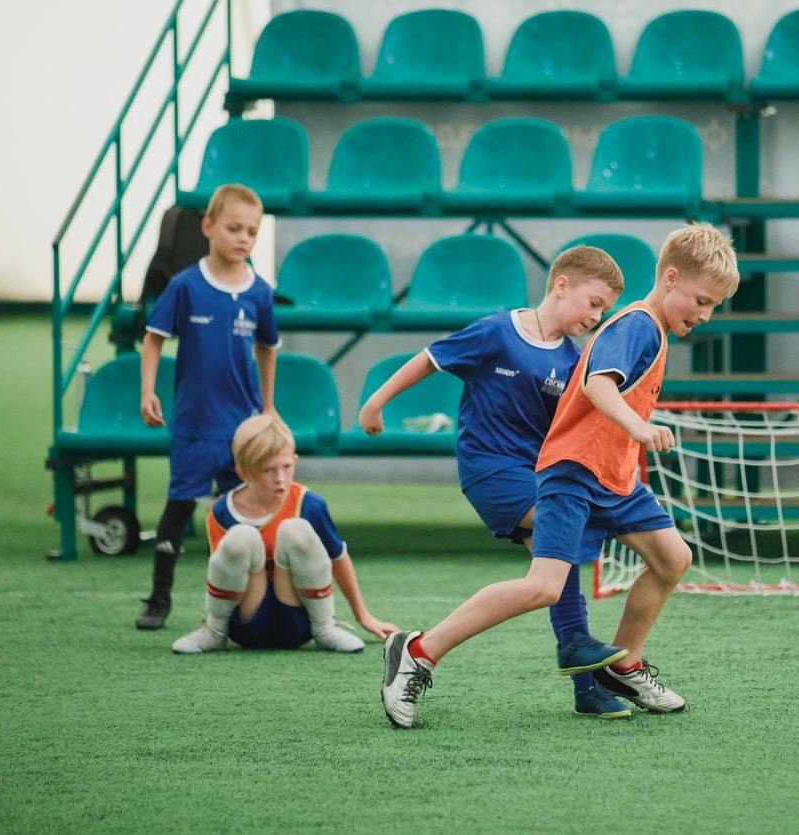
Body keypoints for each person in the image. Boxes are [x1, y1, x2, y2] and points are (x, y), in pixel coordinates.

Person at [382, 224, 740, 728]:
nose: (704, 314)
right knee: (544, 586)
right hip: (574, 471)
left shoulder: (653, 330)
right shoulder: (636, 324)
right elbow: (598, 386)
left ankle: (624, 664)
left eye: (713, 307)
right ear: (670, 277)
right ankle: (419, 649)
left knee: (673, 558)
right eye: (701, 300)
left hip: (614, 478)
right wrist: (639, 427)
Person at [359, 244, 631, 718]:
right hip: (489, 471)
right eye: (593, 303)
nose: (597, 315)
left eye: (605, 310)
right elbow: (429, 358)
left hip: (537, 475)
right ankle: (417, 649)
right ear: (561, 284)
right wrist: (375, 402)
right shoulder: (496, 332)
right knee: (560, 537)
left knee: (554, 570)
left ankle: (586, 689)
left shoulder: (572, 363)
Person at [136, 184, 279, 630]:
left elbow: (268, 348)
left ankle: (254, 604)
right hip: (195, 427)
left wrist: (268, 408)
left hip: (243, 431)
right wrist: (147, 391)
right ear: (208, 227)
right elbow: (153, 338)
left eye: (252, 232)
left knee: (244, 517)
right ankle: (158, 599)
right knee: (178, 512)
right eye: (234, 228)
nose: (243, 238)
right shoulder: (185, 286)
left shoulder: (260, 292)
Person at [171, 414, 399, 653]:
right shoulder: (221, 511)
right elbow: (220, 572)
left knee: (295, 529)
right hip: (245, 626)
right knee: (242, 537)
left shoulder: (309, 503)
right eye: (268, 470)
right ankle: (214, 632)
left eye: (287, 467)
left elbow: (338, 557)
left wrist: (363, 616)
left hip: (298, 624)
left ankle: (325, 628)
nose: (280, 479)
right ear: (243, 473)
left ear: (295, 461)